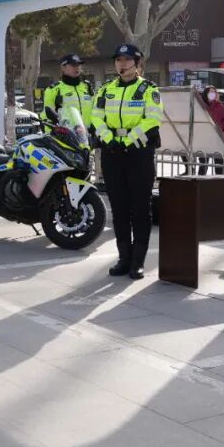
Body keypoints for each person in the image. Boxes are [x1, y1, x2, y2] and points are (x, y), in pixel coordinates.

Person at [91, 43, 163, 280]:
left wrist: (130, 140)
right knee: (119, 207)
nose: (122, 64)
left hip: (139, 152)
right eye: (118, 60)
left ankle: (137, 261)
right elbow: (96, 117)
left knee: (140, 208)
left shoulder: (148, 89)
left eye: (127, 60)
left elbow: (152, 119)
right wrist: (109, 139)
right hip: (112, 153)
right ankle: (123, 258)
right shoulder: (106, 90)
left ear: (137, 63)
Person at [41, 53, 94, 134]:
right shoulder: (53, 90)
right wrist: (52, 134)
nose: (77, 67)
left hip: (89, 136)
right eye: (73, 65)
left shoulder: (87, 87)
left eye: (79, 65)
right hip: (67, 136)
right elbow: (47, 118)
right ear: (63, 67)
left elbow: (96, 111)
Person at [198, 85, 224, 175]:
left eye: (214, 92)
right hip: (204, 138)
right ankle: (200, 180)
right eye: (210, 92)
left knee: (219, 161)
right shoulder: (201, 105)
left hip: (217, 137)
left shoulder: (219, 105)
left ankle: (219, 180)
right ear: (206, 93)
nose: (213, 94)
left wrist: (222, 128)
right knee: (203, 162)